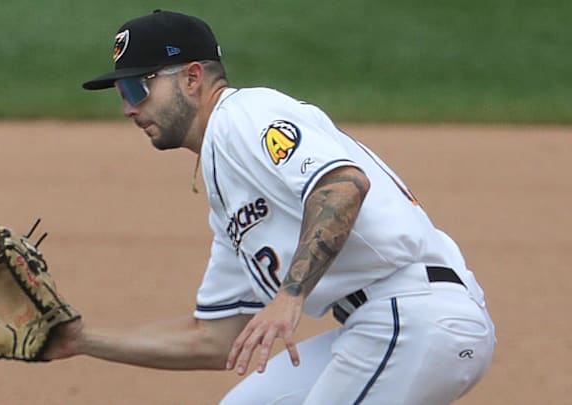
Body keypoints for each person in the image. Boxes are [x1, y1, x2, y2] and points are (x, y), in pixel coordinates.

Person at [45, 10, 496, 404]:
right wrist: (80, 339)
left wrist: (289, 296)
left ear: (192, 78)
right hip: (377, 326)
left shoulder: (244, 116)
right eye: (122, 91)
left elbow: (342, 184)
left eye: (137, 87)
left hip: (415, 316)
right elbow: (217, 340)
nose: (128, 107)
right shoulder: (225, 194)